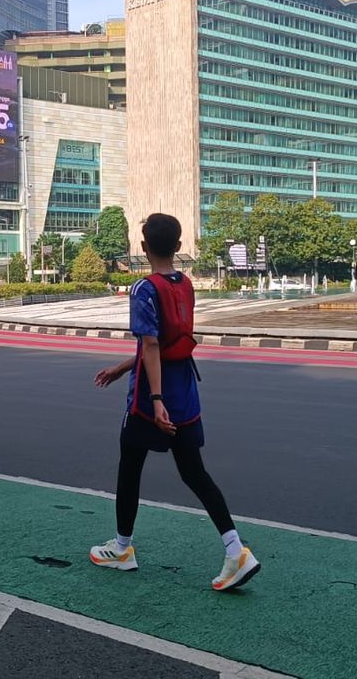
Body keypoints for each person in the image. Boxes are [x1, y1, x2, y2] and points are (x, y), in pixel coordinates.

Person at [89, 213, 260, 592]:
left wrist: (155, 398)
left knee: (130, 467)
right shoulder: (185, 284)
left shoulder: (143, 289)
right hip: (184, 387)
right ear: (179, 247)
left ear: (143, 247)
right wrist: (121, 366)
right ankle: (236, 550)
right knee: (194, 472)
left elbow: (152, 345)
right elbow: (167, 342)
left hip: (152, 396)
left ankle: (121, 549)